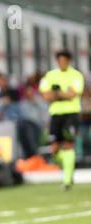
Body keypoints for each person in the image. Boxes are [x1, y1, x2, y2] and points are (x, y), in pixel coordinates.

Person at [39, 49, 85, 190]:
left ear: (68, 61)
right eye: (60, 60)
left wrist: (56, 94)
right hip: (56, 114)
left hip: (71, 114)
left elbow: (74, 93)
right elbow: (45, 95)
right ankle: (68, 168)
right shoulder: (51, 75)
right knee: (54, 149)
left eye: (65, 60)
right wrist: (63, 93)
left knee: (68, 144)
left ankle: (67, 180)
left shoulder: (76, 75)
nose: (62, 63)